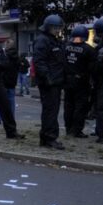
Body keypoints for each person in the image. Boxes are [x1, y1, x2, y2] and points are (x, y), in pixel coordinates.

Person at [33, 14, 67, 149]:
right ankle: (49, 138)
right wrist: (48, 78)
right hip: (49, 82)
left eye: (59, 28)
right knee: (50, 111)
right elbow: (39, 61)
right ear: (48, 27)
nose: (57, 30)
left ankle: (46, 138)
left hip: (55, 81)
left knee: (51, 110)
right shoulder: (43, 40)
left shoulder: (55, 40)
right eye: (55, 28)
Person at [63, 25, 96, 138]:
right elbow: (92, 68)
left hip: (67, 80)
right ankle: (76, 131)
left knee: (68, 105)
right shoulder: (89, 50)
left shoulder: (65, 47)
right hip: (81, 82)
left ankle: (68, 128)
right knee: (80, 107)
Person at [0, 39, 20, 124]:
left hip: (3, 80)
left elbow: (1, 66)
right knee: (11, 101)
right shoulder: (16, 56)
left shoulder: (4, 55)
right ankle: (11, 118)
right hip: (12, 81)